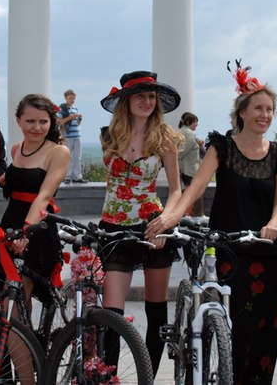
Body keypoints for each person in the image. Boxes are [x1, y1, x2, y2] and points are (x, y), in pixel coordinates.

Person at [147, 61, 277, 384]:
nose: (265, 115)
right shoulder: (222, 147)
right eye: (258, 108)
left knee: (267, 328)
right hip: (230, 244)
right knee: (235, 325)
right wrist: (172, 216)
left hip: (271, 246)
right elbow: (196, 187)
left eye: (270, 109)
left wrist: (274, 221)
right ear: (242, 112)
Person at [98, 70, 183, 376]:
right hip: (113, 226)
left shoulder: (165, 139)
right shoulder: (108, 136)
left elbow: (176, 190)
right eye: (140, 96)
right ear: (126, 101)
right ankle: (108, 378)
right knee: (111, 314)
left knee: (156, 310)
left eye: (151, 97)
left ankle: (148, 377)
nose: (147, 102)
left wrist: (165, 223)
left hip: (152, 225)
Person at [0, 94, 69, 307]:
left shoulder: (58, 152)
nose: (37, 127)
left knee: (13, 298)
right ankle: (25, 330)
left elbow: (44, 196)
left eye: (43, 121)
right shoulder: (16, 149)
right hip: (10, 222)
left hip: (36, 227)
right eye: (30, 121)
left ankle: (17, 330)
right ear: (18, 120)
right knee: (15, 297)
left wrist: (26, 231)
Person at [178, 111, 205, 217]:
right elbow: (183, 151)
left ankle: (185, 213)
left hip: (183, 168)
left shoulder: (180, 131)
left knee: (186, 191)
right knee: (197, 191)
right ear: (188, 122)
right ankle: (197, 214)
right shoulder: (190, 133)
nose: (197, 124)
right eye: (195, 122)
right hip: (190, 169)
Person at [58, 89, 85, 183]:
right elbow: (60, 121)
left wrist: (79, 119)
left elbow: (77, 123)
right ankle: (67, 177)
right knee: (67, 157)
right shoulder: (62, 109)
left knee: (77, 157)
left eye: (73, 98)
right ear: (66, 98)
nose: (72, 100)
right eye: (70, 98)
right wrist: (70, 117)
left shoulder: (75, 109)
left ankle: (77, 177)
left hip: (77, 135)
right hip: (67, 136)